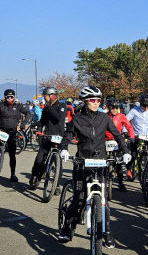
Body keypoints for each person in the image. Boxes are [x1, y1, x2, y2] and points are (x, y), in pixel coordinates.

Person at [57, 86, 131, 248]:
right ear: (85, 101)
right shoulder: (77, 119)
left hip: (100, 161)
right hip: (82, 161)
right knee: (79, 198)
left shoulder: (104, 118)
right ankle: (67, 228)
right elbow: (67, 136)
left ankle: (106, 232)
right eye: (92, 100)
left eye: (98, 100)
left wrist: (125, 151)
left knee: (103, 199)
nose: (96, 103)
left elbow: (118, 135)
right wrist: (63, 149)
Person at [29, 86, 69, 190]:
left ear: (52, 96)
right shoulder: (46, 107)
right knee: (39, 159)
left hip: (59, 137)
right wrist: (35, 125)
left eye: (45, 96)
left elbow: (58, 119)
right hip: (47, 136)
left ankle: (56, 186)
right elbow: (42, 120)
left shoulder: (62, 105)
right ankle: (34, 176)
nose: (44, 98)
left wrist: (49, 107)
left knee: (58, 163)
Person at [0, 89, 32, 183]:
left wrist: (24, 124)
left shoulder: (18, 106)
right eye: (8, 97)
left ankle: (13, 174)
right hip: (2, 131)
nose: (10, 99)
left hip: (12, 132)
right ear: (5, 97)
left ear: (14, 97)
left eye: (12, 97)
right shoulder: (1, 105)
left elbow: (28, 113)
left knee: (12, 154)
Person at [125, 93, 148, 177]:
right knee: (133, 155)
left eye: (147, 106)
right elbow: (126, 121)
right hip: (135, 135)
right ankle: (129, 169)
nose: (146, 108)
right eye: (144, 106)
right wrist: (125, 131)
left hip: (146, 135)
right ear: (140, 104)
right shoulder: (134, 110)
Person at [104, 97, 134, 192]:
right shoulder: (104, 116)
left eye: (116, 107)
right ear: (109, 107)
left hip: (117, 141)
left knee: (119, 164)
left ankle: (120, 183)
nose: (114, 110)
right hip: (105, 141)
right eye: (112, 107)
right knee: (103, 162)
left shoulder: (121, 116)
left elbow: (129, 126)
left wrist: (131, 136)